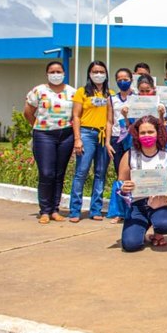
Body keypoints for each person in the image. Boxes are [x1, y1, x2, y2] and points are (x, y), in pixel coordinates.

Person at [119, 115, 167, 251]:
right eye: (142, 132)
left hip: (161, 203)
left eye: (150, 132)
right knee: (131, 245)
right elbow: (120, 184)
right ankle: (142, 227)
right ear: (137, 135)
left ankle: (158, 231)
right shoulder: (129, 155)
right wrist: (125, 187)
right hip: (138, 205)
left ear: (158, 133)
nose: (146, 135)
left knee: (164, 225)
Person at [23, 61, 76, 224]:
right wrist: (39, 127)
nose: (55, 74)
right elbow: (28, 112)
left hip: (66, 135)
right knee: (46, 173)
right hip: (44, 135)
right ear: (47, 74)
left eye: (58, 71)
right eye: (52, 71)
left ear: (64, 73)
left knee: (59, 174)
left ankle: (54, 209)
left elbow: (76, 115)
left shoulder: (72, 92)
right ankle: (44, 210)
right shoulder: (39, 91)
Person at [69, 61, 113, 222]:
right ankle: (75, 210)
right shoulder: (82, 92)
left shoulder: (110, 94)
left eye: (102, 71)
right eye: (95, 71)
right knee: (81, 172)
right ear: (89, 73)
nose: (98, 74)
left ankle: (96, 209)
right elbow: (76, 116)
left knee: (100, 173)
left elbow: (110, 120)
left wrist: (108, 141)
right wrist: (77, 138)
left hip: (103, 135)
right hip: (86, 134)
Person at [106, 68, 134, 175]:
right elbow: (109, 121)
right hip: (116, 137)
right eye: (119, 79)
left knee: (133, 167)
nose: (123, 82)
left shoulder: (136, 97)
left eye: (125, 79)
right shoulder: (112, 99)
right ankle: (122, 191)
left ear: (131, 80)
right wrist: (108, 143)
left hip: (131, 137)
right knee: (119, 169)